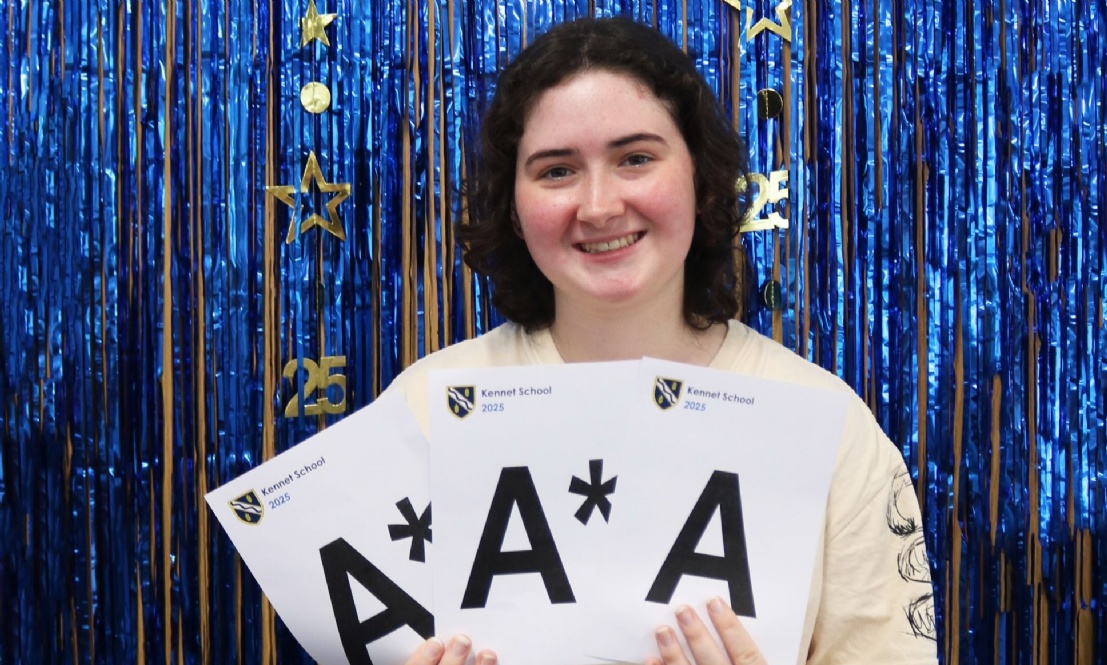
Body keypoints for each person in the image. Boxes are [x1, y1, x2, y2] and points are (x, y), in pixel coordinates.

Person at [385, 16, 938, 665]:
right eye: (556, 170)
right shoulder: (423, 410)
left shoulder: (826, 426)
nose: (597, 205)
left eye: (635, 158)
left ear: (700, 178)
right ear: (512, 205)